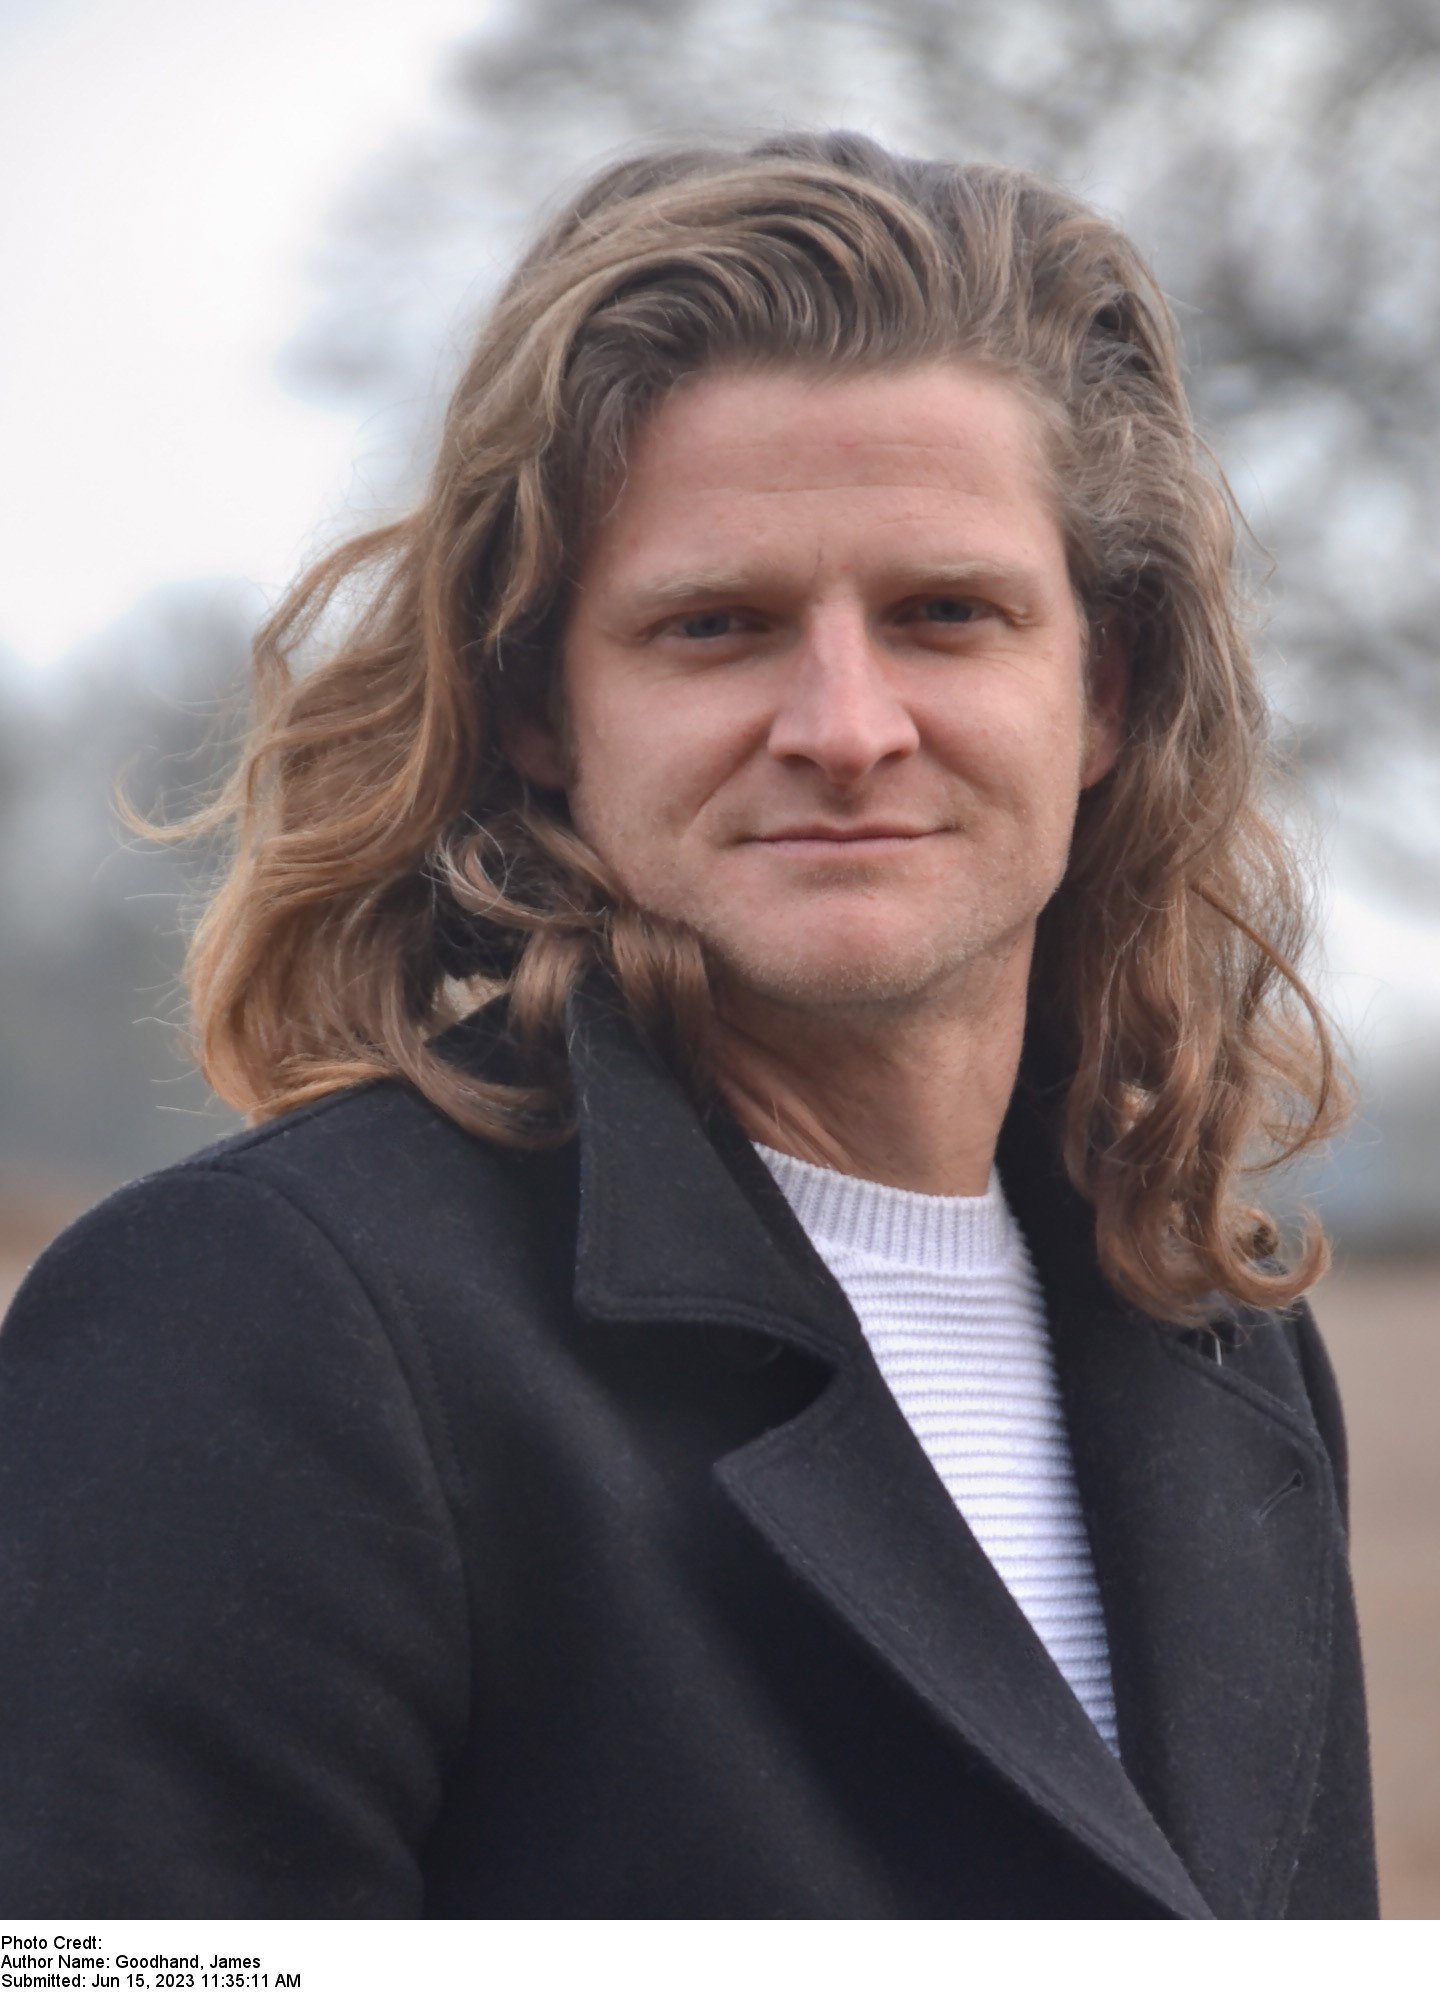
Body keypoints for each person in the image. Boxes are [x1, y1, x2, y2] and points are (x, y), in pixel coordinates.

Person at [0, 132, 1377, 1919]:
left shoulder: (1219, 1332)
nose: (846, 727)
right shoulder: (262, 1323)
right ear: (537, 708)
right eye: (716, 625)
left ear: (1103, 689)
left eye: (945, 615)